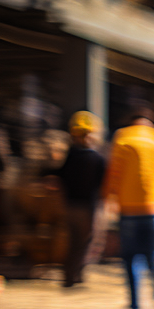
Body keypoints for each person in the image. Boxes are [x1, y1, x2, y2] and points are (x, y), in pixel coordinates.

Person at [102, 106, 154, 309]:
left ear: (132, 121)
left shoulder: (122, 137)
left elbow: (114, 171)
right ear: (150, 122)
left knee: (130, 257)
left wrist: (108, 197)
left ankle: (135, 304)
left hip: (128, 209)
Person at [56, 111, 107, 287]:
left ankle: (71, 275)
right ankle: (76, 274)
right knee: (84, 242)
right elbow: (103, 183)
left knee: (74, 242)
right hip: (86, 207)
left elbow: (61, 176)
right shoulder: (97, 158)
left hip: (72, 205)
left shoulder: (70, 156)